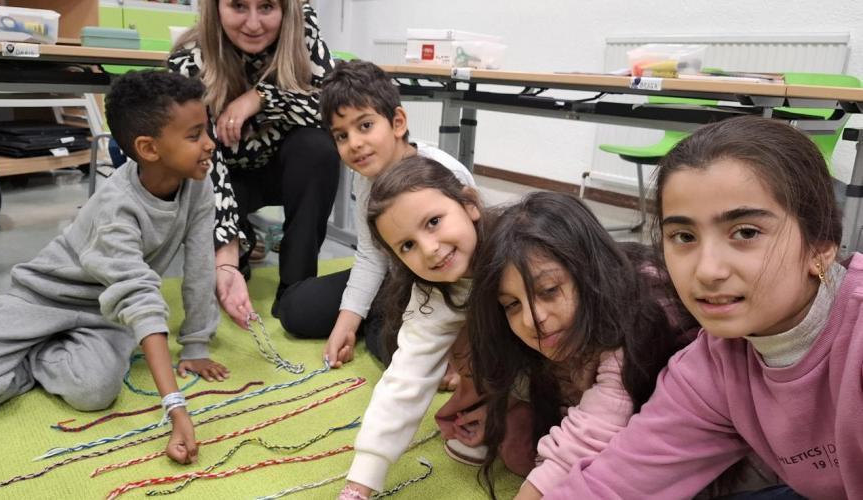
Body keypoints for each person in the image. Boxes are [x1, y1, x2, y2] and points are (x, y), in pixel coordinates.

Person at [547, 115, 863, 499]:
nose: (707, 271)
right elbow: (613, 485)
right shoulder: (714, 364)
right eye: (684, 236)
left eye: (745, 232)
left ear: (821, 245)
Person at [0, 70, 228, 466]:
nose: (210, 143)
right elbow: (138, 295)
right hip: (40, 299)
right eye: (195, 135)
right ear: (149, 148)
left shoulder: (199, 184)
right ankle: (25, 344)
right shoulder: (115, 207)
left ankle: (33, 358)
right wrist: (176, 408)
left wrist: (196, 344)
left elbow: (201, 265)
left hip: (104, 311)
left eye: (207, 130)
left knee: (94, 392)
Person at [466, 192, 690, 498]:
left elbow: (595, 427)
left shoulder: (632, 319)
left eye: (548, 290)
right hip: (600, 402)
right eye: (512, 304)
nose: (532, 319)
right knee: (516, 445)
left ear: (589, 273)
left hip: (678, 429)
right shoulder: (552, 333)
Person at [274, 59, 474, 367]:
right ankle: (377, 315)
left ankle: (384, 321)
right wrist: (346, 323)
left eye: (365, 126)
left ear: (397, 123)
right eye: (341, 136)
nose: (355, 143)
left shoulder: (444, 172)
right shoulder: (365, 179)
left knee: (395, 347)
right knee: (294, 310)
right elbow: (370, 256)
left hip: (441, 281)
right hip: (394, 279)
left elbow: (471, 265)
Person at [168, 0, 341, 327]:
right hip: (225, 175)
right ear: (216, 8)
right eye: (238, 6)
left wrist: (261, 98)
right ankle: (243, 244)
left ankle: (296, 284)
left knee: (318, 148)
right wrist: (227, 253)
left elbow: (333, 111)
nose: (253, 24)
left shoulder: (304, 37)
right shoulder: (189, 62)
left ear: (286, 10)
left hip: (283, 169)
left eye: (266, 7)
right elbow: (205, 161)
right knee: (227, 269)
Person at [338, 157, 488, 499]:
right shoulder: (432, 292)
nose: (430, 250)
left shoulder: (520, 254)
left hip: (582, 371)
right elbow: (406, 377)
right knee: (514, 449)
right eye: (407, 245)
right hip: (522, 379)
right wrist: (360, 483)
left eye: (433, 222)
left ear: (469, 203)